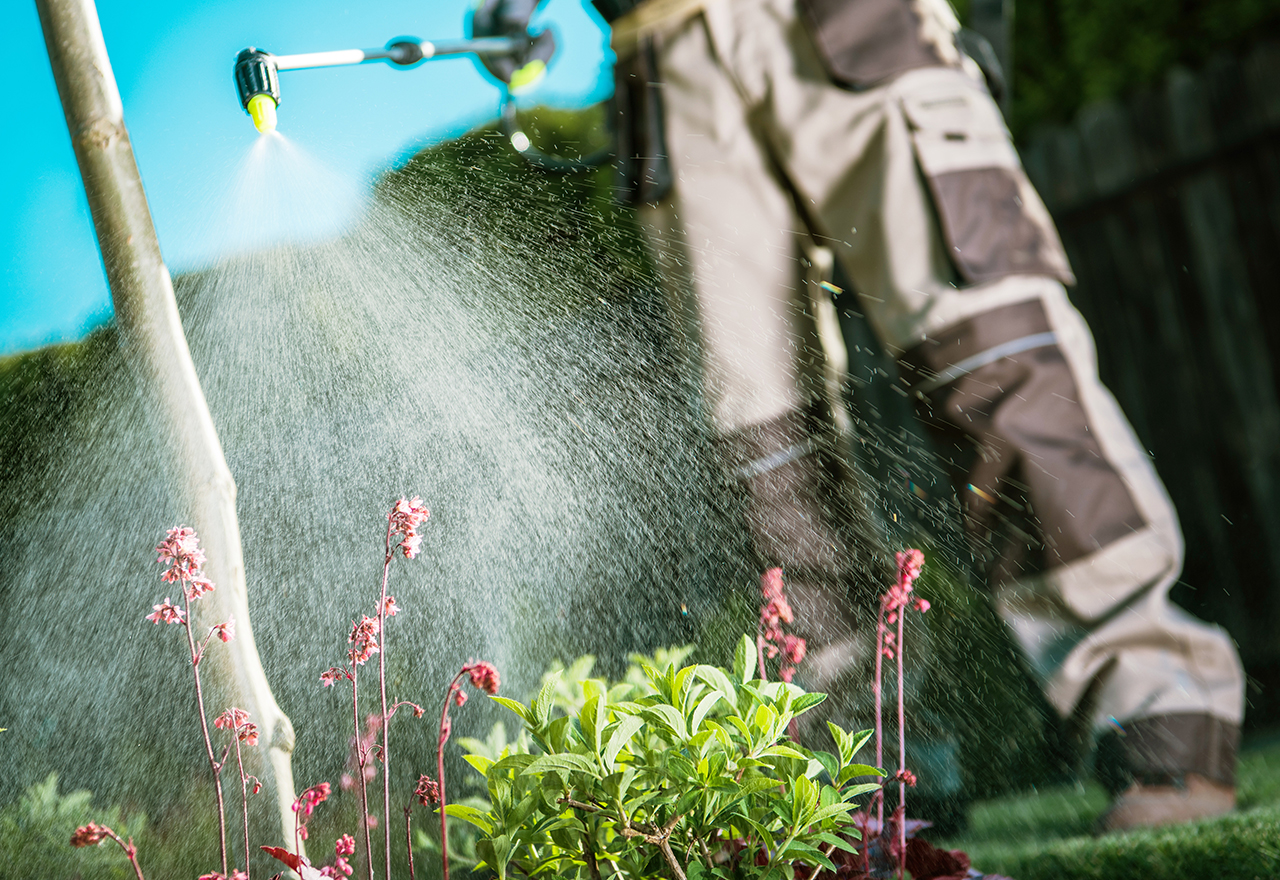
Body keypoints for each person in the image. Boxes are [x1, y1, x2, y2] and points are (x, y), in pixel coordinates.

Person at [476, 0, 1246, 830]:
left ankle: (1166, 729)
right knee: (768, 460)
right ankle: (873, 791)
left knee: (991, 362)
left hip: (856, 24)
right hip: (666, 66)